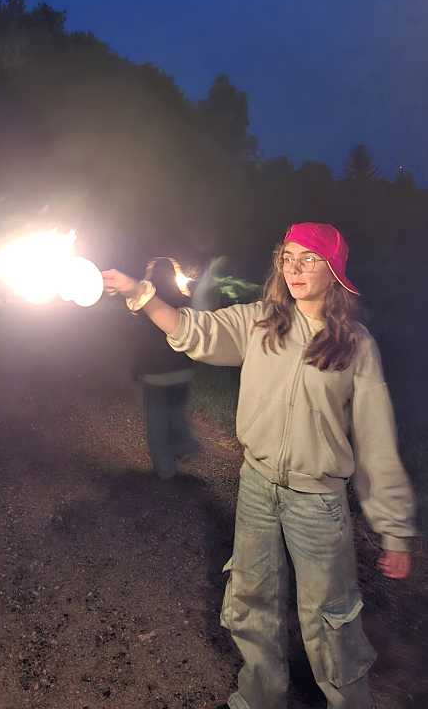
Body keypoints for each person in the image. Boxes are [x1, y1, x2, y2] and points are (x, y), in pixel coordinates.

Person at [102, 222, 416, 709]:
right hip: (257, 486)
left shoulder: (355, 345)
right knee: (251, 600)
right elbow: (192, 330)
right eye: (287, 258)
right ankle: (259, 696)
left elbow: (377, 441)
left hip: (318, 501)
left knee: (330, 617)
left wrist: (393, 528)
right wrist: (138, 292)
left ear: (334, 270)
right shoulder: (261, 322)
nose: (294, 268)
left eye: (308, 259)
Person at [130, 257, 200, 480]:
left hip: (155, 373)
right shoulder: (185, 301)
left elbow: (140, 342)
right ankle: (186, 446)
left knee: (157, 420)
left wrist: (136, 368)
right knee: (177, 412)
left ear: (151, 277)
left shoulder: (145, 304)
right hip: (182, 370)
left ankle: (165, 468)